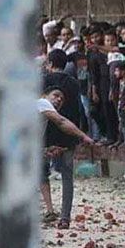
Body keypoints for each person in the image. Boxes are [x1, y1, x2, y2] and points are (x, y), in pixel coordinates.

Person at [38, 87, 94, 224]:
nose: (58, 100)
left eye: (61, 99)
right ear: (44, 95)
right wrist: (83, 136)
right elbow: (62, 122)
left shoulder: (42, 120)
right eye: (56, 95)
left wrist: (46, 150)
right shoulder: (42, 103)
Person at [43, 50, 86, 228]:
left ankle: (47, 209)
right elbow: (79, 109)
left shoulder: (42, 81)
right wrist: (80, 133)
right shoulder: (74, 83)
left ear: (50, 63)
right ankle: (65, 217)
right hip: (67, 135)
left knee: (38, 173)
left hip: (45, 136)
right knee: (67, 176)